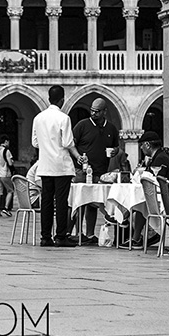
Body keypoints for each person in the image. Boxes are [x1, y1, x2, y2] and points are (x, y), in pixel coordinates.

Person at [32, 85, 82, 247]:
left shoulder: (38, 118)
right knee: (61, 201)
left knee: (46, 201)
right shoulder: (63, 118)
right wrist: (78, 156)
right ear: (62, 99)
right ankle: (61, 236)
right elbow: (68, 142)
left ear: (48, 99)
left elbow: (35, 142)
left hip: (45, 165)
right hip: (61, 166)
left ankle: (45, 237)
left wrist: (47, 146)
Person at [72, 98, 120, 244]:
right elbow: (71, 144)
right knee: (80, 202)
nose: (94, 113)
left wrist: (114, 152)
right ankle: (77, 232)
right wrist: (78, 156)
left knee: (93, 202)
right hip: (82, 171)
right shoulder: (82, 125)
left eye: (97, 111)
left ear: (105, 111)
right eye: (92, 110)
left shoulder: (111, 128)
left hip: (101, 172)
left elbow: (116, 146)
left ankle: (90, 234)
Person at [0, 138, 15, 218]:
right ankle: (6, 208)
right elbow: (10, 163)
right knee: (10, 191)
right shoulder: (6, 151)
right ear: (6, 141)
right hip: (5, 174)